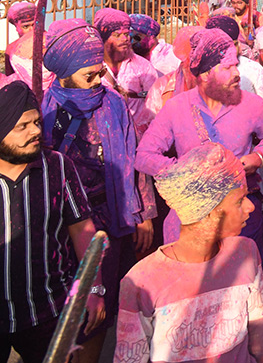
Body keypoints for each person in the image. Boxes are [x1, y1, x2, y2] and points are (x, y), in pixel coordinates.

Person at [41, 19, 153, 356]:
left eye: (98, 73)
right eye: (87, 76)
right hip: (63, 228)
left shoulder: (112, 103)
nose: (96, 82)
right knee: (69, 310)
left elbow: (133, 158)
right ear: (63, 75)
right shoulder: (49, 113)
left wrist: (144, 213)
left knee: (101, 312)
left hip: (111, 218)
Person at [115, 142, 263, 362]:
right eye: (239, 200)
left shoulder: (245, 253)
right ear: (207, 211)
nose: (250, 207)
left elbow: (261, 342)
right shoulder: (142, 282)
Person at [135, 29, 263, 258]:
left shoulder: (251, 104)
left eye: (236, 65)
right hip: (190, 219)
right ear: (204, 74)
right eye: (227, 67)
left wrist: (258, 157)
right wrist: (187, 170)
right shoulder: (176, 108)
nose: (236, 73)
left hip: (241, 217)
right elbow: (144, 155)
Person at [0, 79, 104, 363]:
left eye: (35, 122)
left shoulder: (57, 165)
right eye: (22, 126)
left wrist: (95, 290)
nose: (35, 131)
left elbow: (83, 231)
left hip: (49, 312)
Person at [94, 7, 159, 132]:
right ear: (103, 38)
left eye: (126, 34)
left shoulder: (142, 67)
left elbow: (156, 106)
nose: (125, 39)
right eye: (117, 35)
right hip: (103, 135)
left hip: (137, 136)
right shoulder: (91, 68)